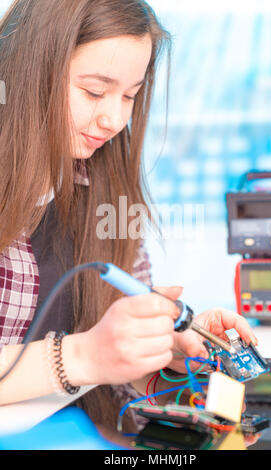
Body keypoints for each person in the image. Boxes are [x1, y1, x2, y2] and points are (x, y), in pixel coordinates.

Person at [0, 0, 258, 436]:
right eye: (94, 92)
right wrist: (83, 355)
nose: (115, 119)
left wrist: (158, 356)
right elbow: (88, 361)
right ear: (30, 72)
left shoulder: (106, 191)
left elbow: (113, 392)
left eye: (130, 96)